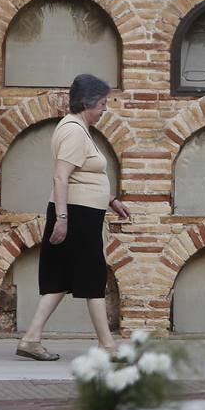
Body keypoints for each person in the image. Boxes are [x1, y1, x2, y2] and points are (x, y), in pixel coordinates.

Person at [16, 74, 130, 361]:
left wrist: (110, 200)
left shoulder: (78, 129)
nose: (105, 109)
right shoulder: (73, 132)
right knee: (93, 277)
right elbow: (61, 177)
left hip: (81, 213)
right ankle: (107, 347)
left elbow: (82, 177)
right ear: (88, 102)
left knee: (61, 278)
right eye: (102, 103)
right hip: (77, 217)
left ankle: (30, 339)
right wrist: (63, 220)